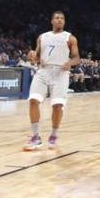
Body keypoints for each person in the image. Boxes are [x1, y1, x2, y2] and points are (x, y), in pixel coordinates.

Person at [23, 11, 81, 150]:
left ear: (64, 22)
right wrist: (32, 56)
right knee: (33, 99)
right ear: (52, 21)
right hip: (43, 71)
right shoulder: (42, 37)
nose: (59, 20)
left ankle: (54, 135)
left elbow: (77, 58)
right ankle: (36, 137)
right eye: (57, 18)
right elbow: (37, 57)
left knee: (57, 105)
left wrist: (69, 63)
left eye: (62, 18)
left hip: (60, 72)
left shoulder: (70, 38)